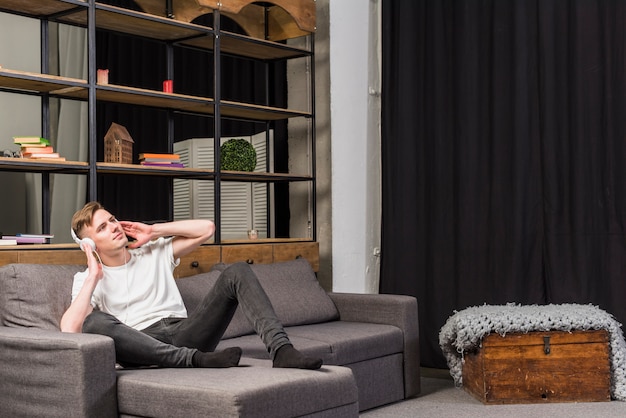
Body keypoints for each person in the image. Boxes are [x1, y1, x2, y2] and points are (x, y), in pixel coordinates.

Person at [60, 201, 322, 370]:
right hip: (142, 345)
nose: (114, 227)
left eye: (113, 219)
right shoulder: (87, 279)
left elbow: (206, 228)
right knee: (94, 323)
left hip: (185, 332)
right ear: (89, 244)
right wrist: (94, 274)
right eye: (103, 228)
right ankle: (193, 360)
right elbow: (71, 330)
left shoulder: (154, 252)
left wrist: (154, 231)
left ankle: (282, 350)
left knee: (238, 271)